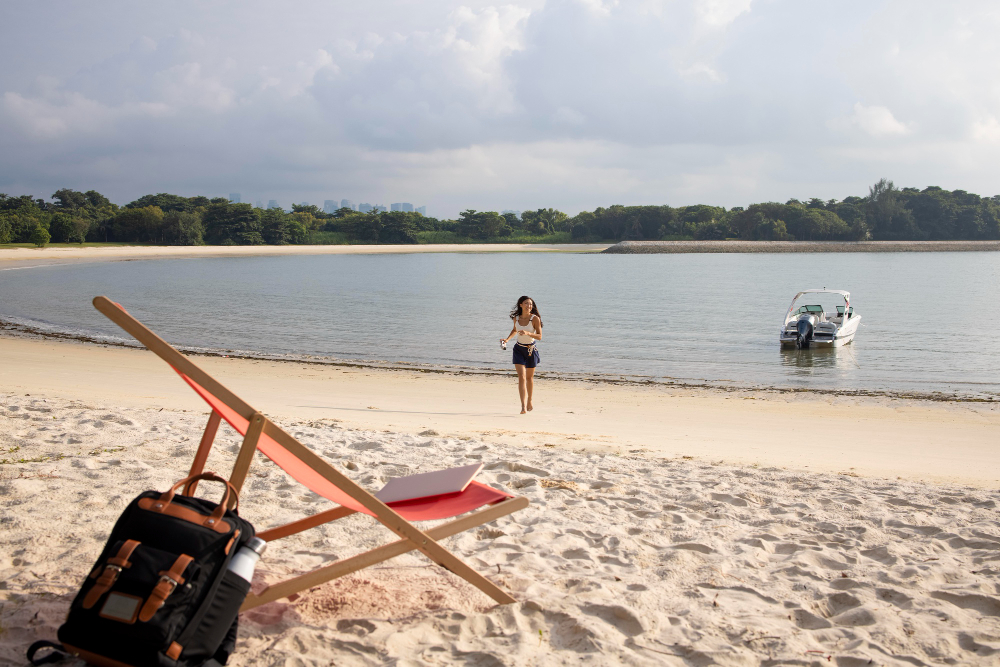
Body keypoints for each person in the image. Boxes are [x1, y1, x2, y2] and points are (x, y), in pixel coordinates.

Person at [501, 296, 543, 414]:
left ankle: (530, 400)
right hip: (518, 350)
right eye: (526, 303)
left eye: (530, 304)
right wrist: (507, 339)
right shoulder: (516, 318)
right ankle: (523, 406)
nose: (529, 306)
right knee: (521, 377)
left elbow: (539, 336)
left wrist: (528, 333)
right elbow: (515, 330)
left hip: (531, 350)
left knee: (529, 378)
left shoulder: (535, 319)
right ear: (520, 305)